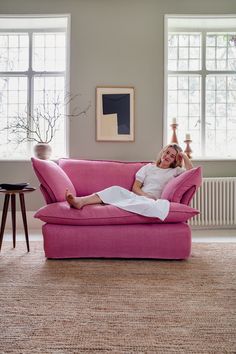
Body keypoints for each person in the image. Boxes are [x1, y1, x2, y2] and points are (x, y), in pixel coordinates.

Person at [65, 144, 193, 220]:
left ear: (175, 160)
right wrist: (145, 196)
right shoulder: (148, 167)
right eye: (167, 152)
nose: (167, 156)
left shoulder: (175, 171)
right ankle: (80, 201)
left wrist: (184, 156)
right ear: (163, 152)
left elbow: (191, 173)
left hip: (154, 201)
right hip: (140, 196)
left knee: (148, 205)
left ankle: (116, 203)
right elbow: (135, 188)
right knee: (115, 189)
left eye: (172, 156)